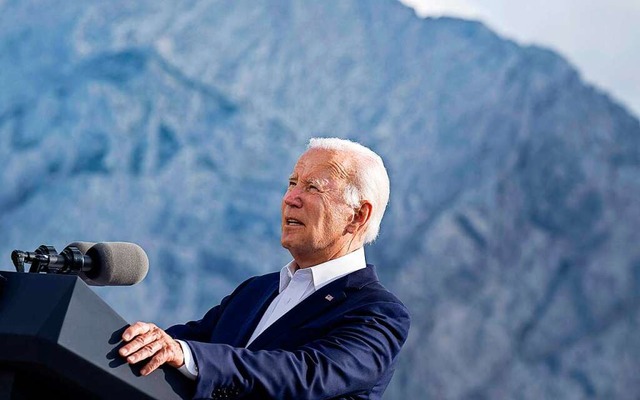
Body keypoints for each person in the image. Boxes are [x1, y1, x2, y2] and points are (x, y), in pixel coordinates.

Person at [119, 137, 410, 399]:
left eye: (312, 187)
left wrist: (186, 355)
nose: (290, 199)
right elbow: (177, 343)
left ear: (358, 216)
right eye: (293, 183)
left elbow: (308, 375)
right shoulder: (256, 290)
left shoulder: (378, 314)